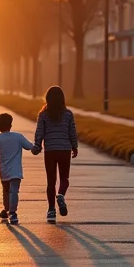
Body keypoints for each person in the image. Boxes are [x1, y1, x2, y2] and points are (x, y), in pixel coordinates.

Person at [32, 85, 79, 224]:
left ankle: (51, 210)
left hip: (50, 151)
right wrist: (74, 146)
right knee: (64, 178)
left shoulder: (43, 114)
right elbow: (72, 132)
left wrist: (37, 145)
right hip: (64, 149)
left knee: (51, 181)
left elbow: (39, 131)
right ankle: (61, 195)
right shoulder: (68, 114)